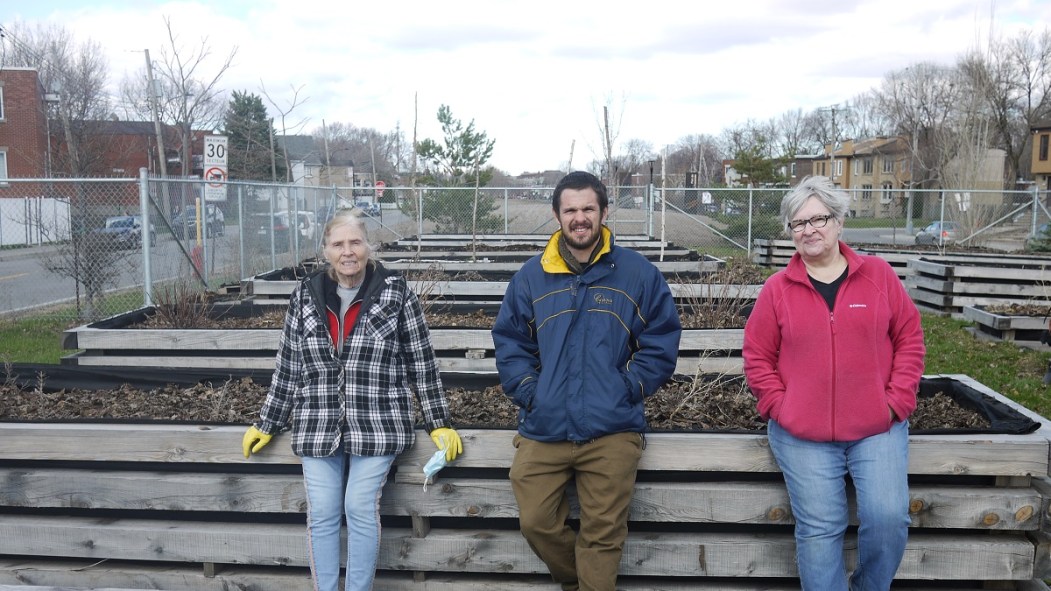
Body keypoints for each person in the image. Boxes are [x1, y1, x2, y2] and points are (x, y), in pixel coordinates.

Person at [241, 209, 463, 591]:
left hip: (377, 423)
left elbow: (421, 361)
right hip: (318, 423)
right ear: (326, 250)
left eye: (355, 242)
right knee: (323, 512)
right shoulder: (306, 295)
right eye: (338, 244)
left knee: (359, 506)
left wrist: (438, 420)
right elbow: (289, 363)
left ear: (368, 247)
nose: (348, 252)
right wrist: (268, 421)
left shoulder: (395, 291)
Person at [491, 170, 682, 591]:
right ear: (557, 216)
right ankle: (576, 581)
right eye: (571, 210)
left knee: (603, 535)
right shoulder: (530, 277)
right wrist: (530, 393)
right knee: (536, 522)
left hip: (611, 428)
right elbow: (510, 342)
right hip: (545, 426)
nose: (580, 218)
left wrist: (627, 387)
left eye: (588, 209)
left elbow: (661, 338)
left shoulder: (637, 274)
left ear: (604, 212)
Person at [742, 175, 925, 590]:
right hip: (802, 435)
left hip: (876, 428)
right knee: (821, 528)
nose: (809, 230)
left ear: (839, 221)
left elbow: (909, 336)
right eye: (798, 223)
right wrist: (781, 407)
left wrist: (895, 402)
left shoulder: (877, 275)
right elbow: (757, 356)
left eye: (818, 218)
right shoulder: (777, 289)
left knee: (888, 518)